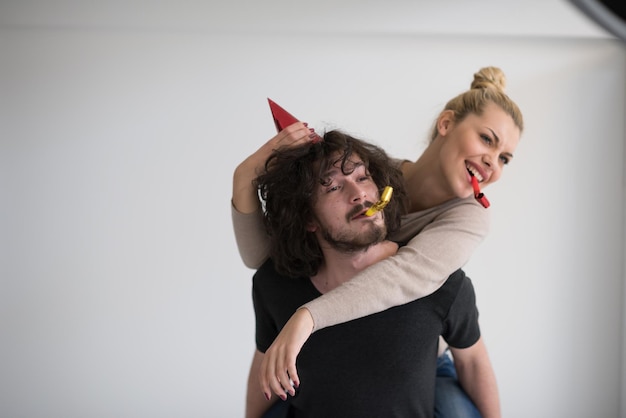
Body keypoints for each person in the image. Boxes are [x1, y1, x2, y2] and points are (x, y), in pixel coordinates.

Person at [232, 66, 523, 415]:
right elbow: (263, 257)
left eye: (504, 158)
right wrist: (246, 173)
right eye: (487, 139)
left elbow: (408, 275)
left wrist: (306, 318)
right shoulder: (377, 175)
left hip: (428, 363)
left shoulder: (468, 221)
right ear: (446, 124)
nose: (493, 161)